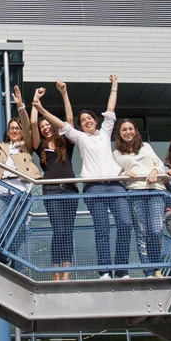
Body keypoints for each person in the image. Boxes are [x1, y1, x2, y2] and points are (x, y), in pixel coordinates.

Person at [36, 75, 133, 280]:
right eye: (83, 121)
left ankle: (122, 270)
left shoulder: (105, 132)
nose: (86, 121)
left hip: (115, 184)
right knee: (102, 229)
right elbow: (63, 123)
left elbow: (111, 109)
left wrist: (114, 85)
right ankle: (105, 271)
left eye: (89, 119)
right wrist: (42, 110)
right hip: (94, 187)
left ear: (95, 121)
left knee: (125, 223)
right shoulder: (79, 137)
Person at [0, 86, 38, 253]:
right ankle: (1, 257)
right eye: (12, 128)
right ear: (8, 132)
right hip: (1, 188)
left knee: (18, 231)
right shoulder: (2, 146)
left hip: (20, 190)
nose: (15, 130)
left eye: (18, 128)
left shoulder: (26, 146)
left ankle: (16, 267)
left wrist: (21, 107)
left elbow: (29, 130)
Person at [31, 84, 77, 280]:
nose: (45, 128)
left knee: (67, 231)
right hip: (51, 191)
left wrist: (64, 93)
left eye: (48, 125)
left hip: (70, 190)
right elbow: (32, 122)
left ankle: (66, 272)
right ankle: (55, 270)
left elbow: (70, 120)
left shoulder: (65, 141)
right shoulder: (39, 145)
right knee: (58, 230)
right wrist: (35, 100)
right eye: (43, 127)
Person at [113, 119, 166, 277]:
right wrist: (124, 174)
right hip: (135, 192)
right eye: (124, 130)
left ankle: (156, 265)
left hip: (155, 190)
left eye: (130, 128)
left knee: (156, 230)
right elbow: (113, 173)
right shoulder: (117, 153)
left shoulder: (146, 147)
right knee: (142, 232)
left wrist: (155, 171)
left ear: (135, 131)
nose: (128, 132)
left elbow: (160, 164)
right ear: (120, 134)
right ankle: (149, 271)